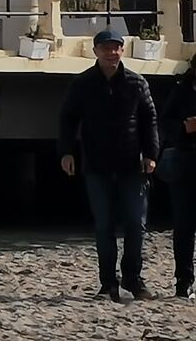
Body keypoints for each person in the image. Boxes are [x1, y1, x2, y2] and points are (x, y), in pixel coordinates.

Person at [59, 26, 161, 301]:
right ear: (95, 51)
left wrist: (151, 154)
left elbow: (149, 119)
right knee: (104, 226)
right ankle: (108, 283)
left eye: (116, 47)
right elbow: (68, 118)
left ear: (122, 50)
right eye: (106, 48)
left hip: (132, 164)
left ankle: (133, 278)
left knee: (136, 225)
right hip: (97, 164)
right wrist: (67, 151)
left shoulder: (136, 83)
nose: (111, 53)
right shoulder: (82, 84)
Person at [159, 52, 196, 297]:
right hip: (186, 163)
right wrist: (184, 127)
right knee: (184, 226)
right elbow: (165, 123)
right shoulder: (182, 90)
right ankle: (183, 280)